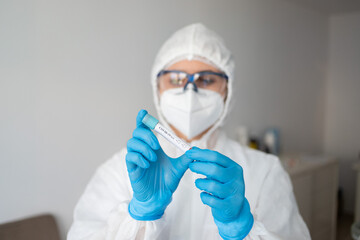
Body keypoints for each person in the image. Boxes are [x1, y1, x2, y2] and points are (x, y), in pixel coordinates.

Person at [68, 23, 310, 240]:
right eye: (175, 79)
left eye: (206, 80)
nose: (190, 91)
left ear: (227, 91)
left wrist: (242, 228)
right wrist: (139, 213)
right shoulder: (121, 170)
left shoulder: (265, 171)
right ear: (157, 88)